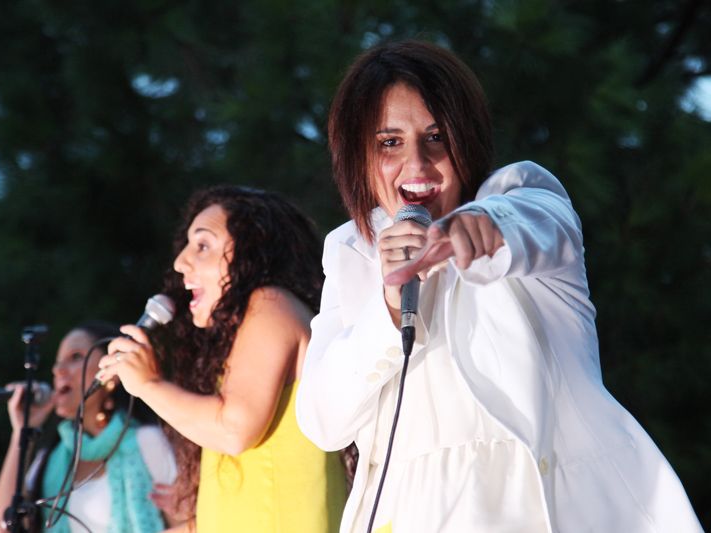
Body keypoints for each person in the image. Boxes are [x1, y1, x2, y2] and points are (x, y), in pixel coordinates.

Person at [295, 39, 702, 533]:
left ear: (467, 141)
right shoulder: (350, 251)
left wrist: (483, 223)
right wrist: (385, 303)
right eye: (389, 143)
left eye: (437, 137)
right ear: (357, 158)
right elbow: (322, 421)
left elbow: (538, 224)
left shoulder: (521, 197)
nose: (418, 165)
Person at [96, 186, 348, 532]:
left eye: (202, 245)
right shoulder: (254, 327)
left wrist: (147, 384)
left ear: (253, 251)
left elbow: (233, 430)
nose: (180, 262)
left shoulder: (271, 303)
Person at [0, 321, 179, 533]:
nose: (58, 370)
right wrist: (21, 432)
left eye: (75, 357)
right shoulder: (52, 460)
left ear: (110, 373)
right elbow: (1, 530)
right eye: (57, 362)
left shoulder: (147, 442)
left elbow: (191, 525)